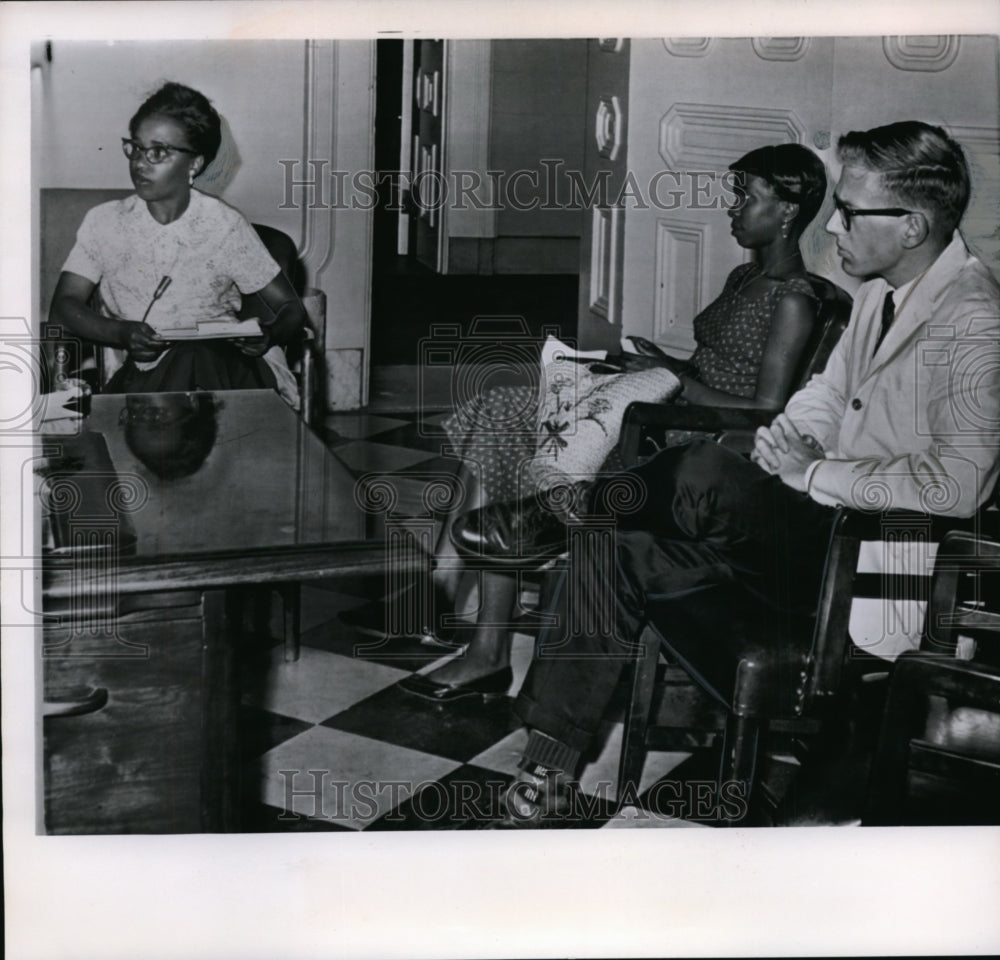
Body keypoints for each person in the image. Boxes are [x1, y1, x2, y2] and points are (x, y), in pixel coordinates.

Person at [493, 120, 1000, 827]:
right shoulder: (883, 293)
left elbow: (962, 482)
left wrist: (814, 473)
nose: (836, 226)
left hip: (871, 571)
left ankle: (552, 510)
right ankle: (547, 768)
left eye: (852, 212)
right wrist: (791, 438)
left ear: (912, 225)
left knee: (698, 470)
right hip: (810, 544)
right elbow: (823, 396)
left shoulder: (972, 317)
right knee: (615, 541)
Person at [364, 142, 830, 702]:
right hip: (668, 404)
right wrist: (658, 363)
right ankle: (445, 603)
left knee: (510, 432)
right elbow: (711, 365)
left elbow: (764, 410)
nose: (731, 208)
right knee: (500, 410)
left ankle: (472, 635)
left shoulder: (793, 299)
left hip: (691, 440)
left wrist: (672, 377)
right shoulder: (741, 278)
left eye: (745, 197)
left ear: (787, 211)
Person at [49, 82, 305, 399]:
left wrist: (269, 335)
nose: (140, 162)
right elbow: (63, 308)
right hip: (150, 377)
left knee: (195, 355)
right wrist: (122, 332)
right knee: (174, 375)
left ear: (194, 164)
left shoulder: (224, 226)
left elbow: (291, 308)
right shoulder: (104, 223)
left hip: (231, 373)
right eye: (136, 148)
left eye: (158, 152)